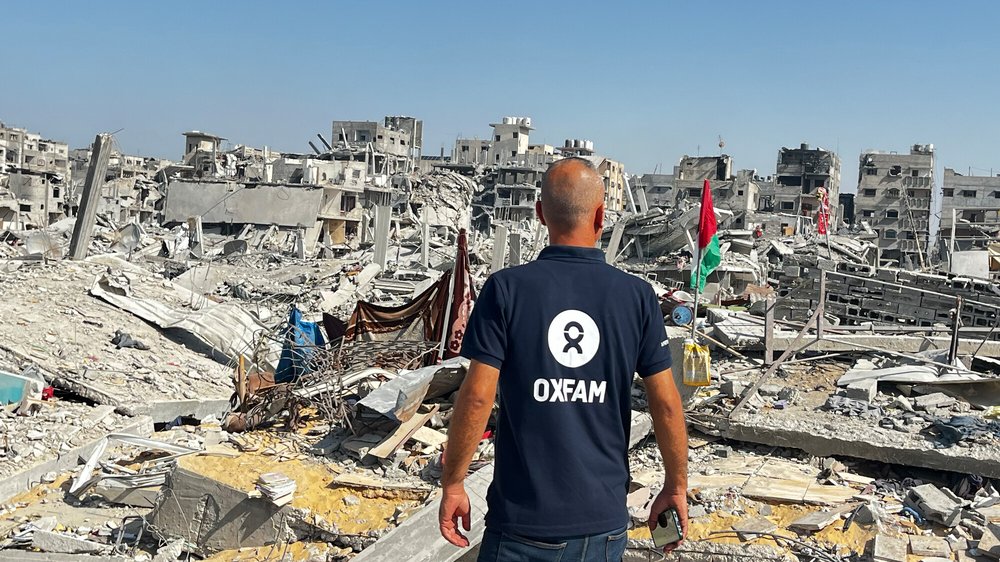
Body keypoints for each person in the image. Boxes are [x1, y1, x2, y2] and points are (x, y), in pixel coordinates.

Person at [438, 157, 689, 561]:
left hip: (523, 524)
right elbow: (665, 402)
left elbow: (479, 397)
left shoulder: (506, 290)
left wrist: (454, 483)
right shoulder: (637, 297)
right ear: (601, 216)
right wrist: (675, 486)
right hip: (603, 526)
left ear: (539, 214)